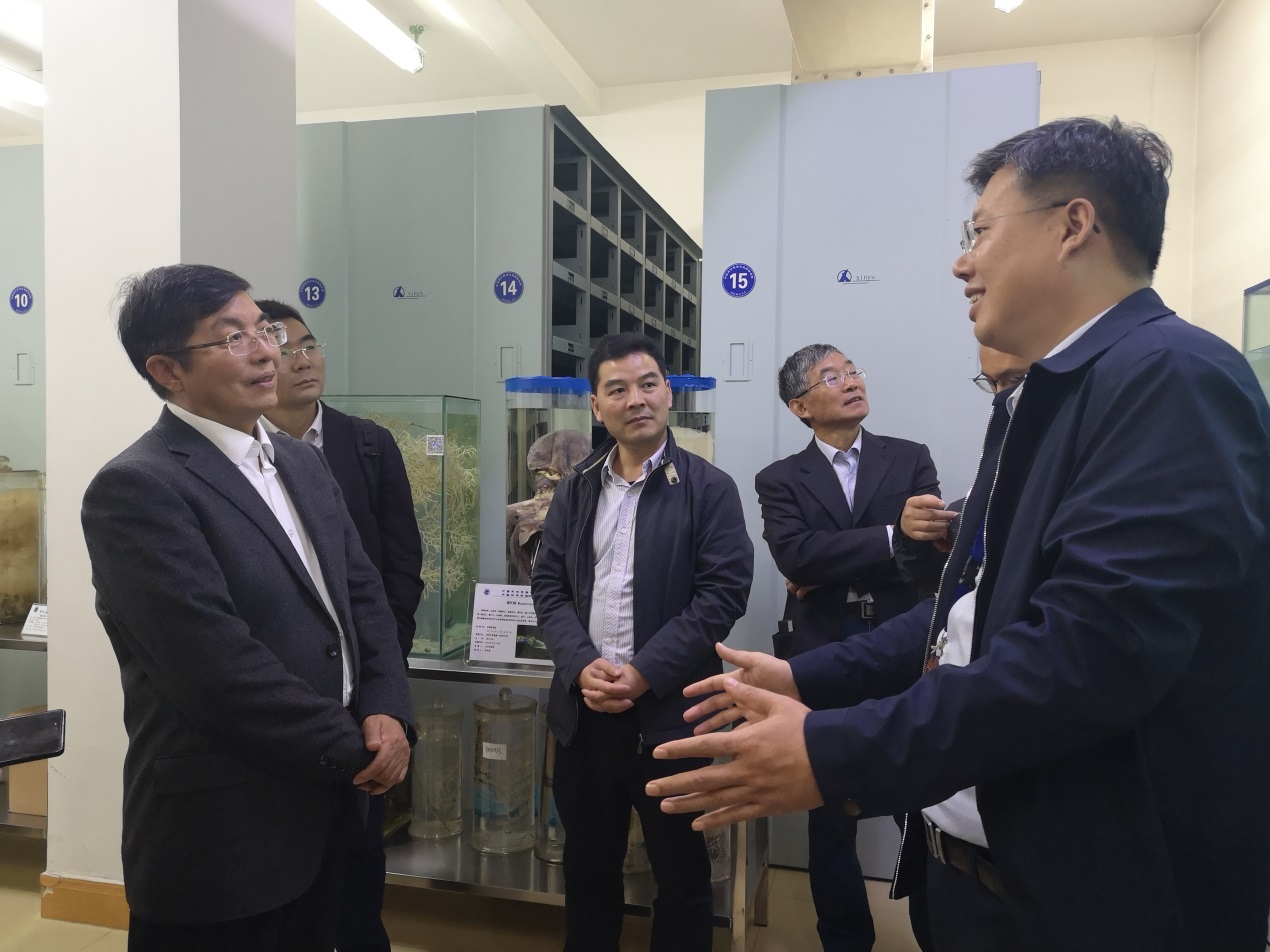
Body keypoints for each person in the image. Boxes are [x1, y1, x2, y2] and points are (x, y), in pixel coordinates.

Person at [647, 117, 1270, 952]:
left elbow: (1085, 655)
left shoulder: (1170, 378)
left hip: (1088, 903)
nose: (961, 263)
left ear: (1072, 225)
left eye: (980, 232)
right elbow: (962, 615)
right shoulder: (1042, 403)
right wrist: (805, 677)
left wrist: (832, 751)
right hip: (972, 878)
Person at [81, 264, 415, 952]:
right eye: (232, 338)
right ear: (167, 370)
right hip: (227, 835)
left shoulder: (301, 463)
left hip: (332, 812)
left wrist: (387, 706)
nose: (268, 352)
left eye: (265, 331)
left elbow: (362, 597)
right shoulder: (138, 489)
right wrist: (358, 749)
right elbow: (218, 671)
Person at [531, 332, 754, 952]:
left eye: (648, 383)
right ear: (595, 406)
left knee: (682, 878)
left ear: (668, 394)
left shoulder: (709, 488)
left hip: (670, 718)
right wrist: (580, 664)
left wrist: (644, 672)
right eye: (618, 389)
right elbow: (548, 586)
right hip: (585, 718)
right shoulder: (576, 488)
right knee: (588, 871)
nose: (636, 399)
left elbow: (722, 595)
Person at [755, 344, 942, 952]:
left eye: (853, 371)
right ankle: (844, 942)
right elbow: (796, 556)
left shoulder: (909, 458)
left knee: (920, 799)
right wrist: (892, 536)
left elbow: (930, 555)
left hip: (899, 643)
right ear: (800, 406)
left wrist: (829, 563)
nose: (852, 382)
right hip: (820, 650)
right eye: (832, 377)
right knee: (829, 809)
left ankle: (936, 931)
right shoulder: (780, 478)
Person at [258, 299, 424, 952]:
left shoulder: (368, 445)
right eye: (285, 351)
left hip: (364, 685)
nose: (303, 361)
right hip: (282, 689)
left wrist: (387, 669)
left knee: (359, 850)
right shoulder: (245, 457)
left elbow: (400, 565)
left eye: (310, 345)